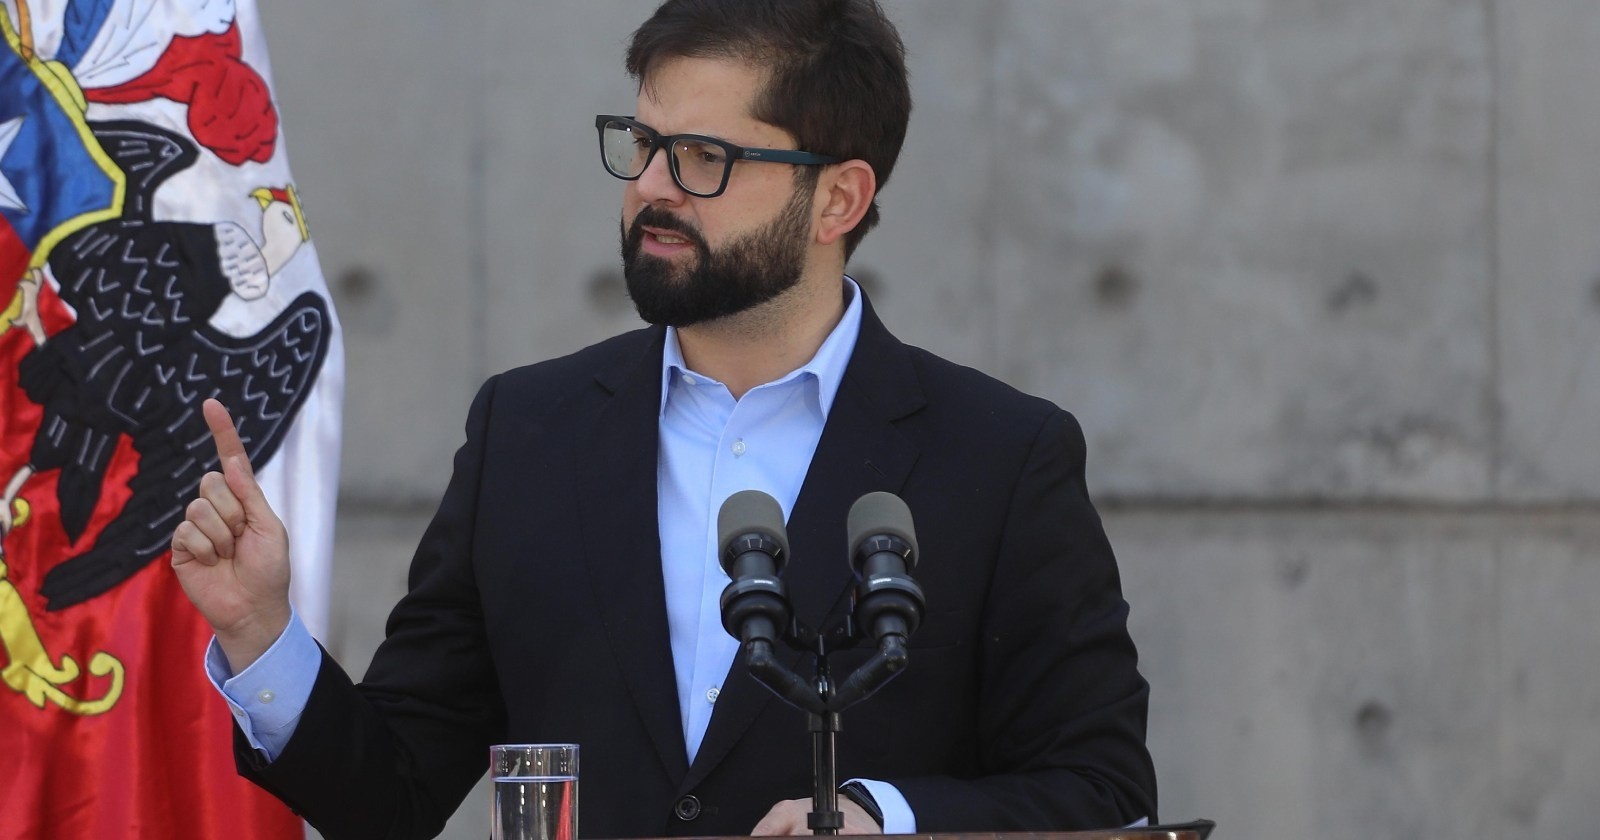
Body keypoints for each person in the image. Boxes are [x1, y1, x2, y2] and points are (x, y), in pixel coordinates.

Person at [171, 1, 1158, 837]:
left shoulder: (999, 457)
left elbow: (1103, 793)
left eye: (702, 158)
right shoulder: (528, 433)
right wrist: (262, 632)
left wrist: (881, 816)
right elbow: (389, 797)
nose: (649, 188)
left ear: (838, 199)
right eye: (643, 145)